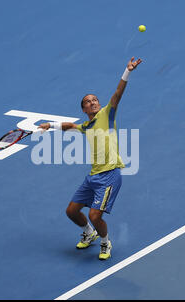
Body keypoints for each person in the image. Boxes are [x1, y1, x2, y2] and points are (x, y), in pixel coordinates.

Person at [39, 57, 142, 260]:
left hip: (110, 175)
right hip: (93, 177)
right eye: (88, 102)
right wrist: (50, 125)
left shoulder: (107, 114)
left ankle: (105, 242)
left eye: (94, 100)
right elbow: (71, 126)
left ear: (99, 104)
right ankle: (89, 232)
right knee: (71, 211)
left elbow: (117, 94)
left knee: (95, 215)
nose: (92, 102)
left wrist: (127, 71)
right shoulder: (85, 127)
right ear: (84, 110)